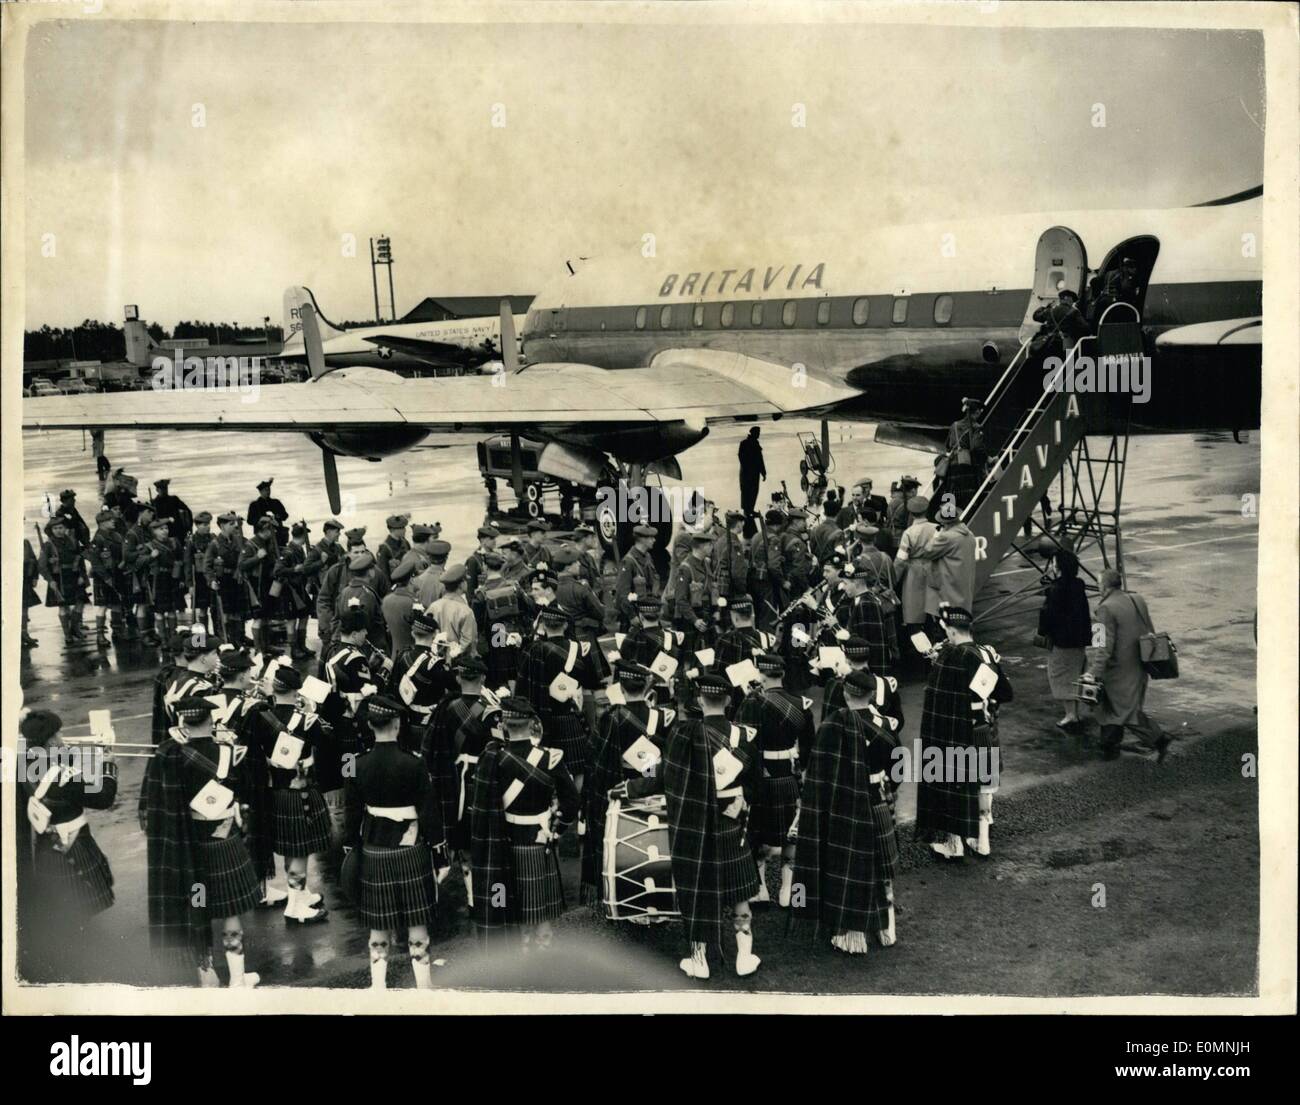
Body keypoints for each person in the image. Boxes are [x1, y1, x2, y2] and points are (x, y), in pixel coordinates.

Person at [139, 696, 265, 986]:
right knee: (231, 913)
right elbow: (243, 788)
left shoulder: (170, 755)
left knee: (199, 909)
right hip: (224, 842)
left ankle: (207, 979)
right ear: (211, 721)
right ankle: (237, 980)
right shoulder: (228, 751)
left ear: (183, 722)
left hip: (189, 848)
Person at [344, 695, 448, 990]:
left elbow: (351, 814)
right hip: (410, 850)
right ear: (398, 724)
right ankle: (424, 987)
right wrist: (440, 853)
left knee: (379, 921)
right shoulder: (414, 763)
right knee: (417, 920)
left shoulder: (353, 763)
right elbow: (429, 812)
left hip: (374, 848)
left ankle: (378, 988)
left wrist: (351, 848)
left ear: (369, 725)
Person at [792, 668, 899, 955]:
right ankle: (886, 926)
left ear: (844, 692)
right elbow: (898, 769)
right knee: (881, 867)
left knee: (845, 866)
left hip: (841, 805)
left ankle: (849, 931)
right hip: (876, 800)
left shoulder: (831, 724)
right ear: (872, 695)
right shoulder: (885, 725)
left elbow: (819, 771)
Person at [663, 670, 761, 979]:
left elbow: (668, 778)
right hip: (733, 820)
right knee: (738, 890)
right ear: (730, 700)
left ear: (699, 699)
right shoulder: (746, 736)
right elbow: (757, 784)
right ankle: (744, 956)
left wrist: (632, 789)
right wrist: (742, 802)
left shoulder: (684, 733)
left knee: (699, 889)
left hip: (697, 822)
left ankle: (699, 959)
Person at [470, 696, 580, 949]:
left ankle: (519, 969)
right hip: (539, 843)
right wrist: (558, 829)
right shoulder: (550, 758)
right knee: (540, 915)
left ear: (504, 724)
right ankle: (542, 970)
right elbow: (572, 802)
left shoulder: (493, 758)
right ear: (532, 723)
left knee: (510, 911)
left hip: (504, 846)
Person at [914, 605, 1012, 860]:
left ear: (950, 630)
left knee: (952, 785)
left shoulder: (948, 657)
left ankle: (953, 844)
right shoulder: (984, 653)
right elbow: (1004, 693)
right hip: (982, 728)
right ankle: (982, 842)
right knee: (984, 786)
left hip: (952, 733)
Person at [19, 710, 117, 949]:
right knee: (82, 902)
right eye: (59, 733)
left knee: (64, 902)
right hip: (73, 843)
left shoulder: (21, 764)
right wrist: (107, 766)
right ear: (51, 739)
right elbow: (103, 798)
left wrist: (68, 756)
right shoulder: (62, 775)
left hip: (43, 844)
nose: (63, 737)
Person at [580, 659, 674, 906]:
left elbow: (594, 760)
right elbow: (669, 760)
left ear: (620, 689)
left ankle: (616, 893)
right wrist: (651, 777)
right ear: (647, 687)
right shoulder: (665, 717)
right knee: (656, 844)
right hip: (657, 789)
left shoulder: (612, 718)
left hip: (620, 788)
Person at [734, 652, 813, 907]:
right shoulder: (802, 704)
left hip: (760, 775)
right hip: (789, 775)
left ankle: (761, 889)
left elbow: (742, 744)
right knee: (791, 832)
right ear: (783, 674)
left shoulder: (752, 702)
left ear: (760, 674)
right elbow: (809, 747)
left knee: (757, 832)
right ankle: (789, 891)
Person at [261, 664, 332, 925]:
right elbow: (326, 742)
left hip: (276, 791)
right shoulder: (307, 720)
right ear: (296, 690)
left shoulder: (262, 716)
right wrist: (312, 711)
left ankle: (299, 896)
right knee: (300, 851)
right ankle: (294, 905)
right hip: (300, 791)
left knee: (292, 849)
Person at [424, 654, 494, 903]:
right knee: (478, 840)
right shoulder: (492, 710)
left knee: (454, 841)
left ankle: (430, 894)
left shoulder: (444, 708)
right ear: (483, 678)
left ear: (457, 677)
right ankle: (478, 897)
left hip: (451, 782)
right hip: (484, 783)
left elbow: (429, 750)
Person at [1081, 569, 1171, 762]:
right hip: (1139, 664)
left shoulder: (1103, 609)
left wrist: (1092, 672)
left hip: (1117, 671)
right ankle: (1110, 743)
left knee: (1120, 710)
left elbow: (1101, 646)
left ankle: (1157, 739)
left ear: (1104, 586)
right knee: (1120, 708)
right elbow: (1149, 629)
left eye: (1098, 583)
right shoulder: (1136, 599)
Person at [515, 602, 600, 787]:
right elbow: (592, 685)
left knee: (545, 764)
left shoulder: (534, 650)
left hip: (542, 720)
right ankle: (575, 806)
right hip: (570, 715)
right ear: (566, 625)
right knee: (577, 766)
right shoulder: (581, 650)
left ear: (544, 626)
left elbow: (522, 689)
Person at [1038, 549, 1092, 730]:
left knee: (1060, 677)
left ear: (1059, 566)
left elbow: (1049, 616)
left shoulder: (1056, 589)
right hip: (1079, 640)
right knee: (1075, 676)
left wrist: (1043, 632)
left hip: (1062, 641)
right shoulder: (1078, 585)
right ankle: (1075, 713)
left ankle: (1070, 715)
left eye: (1054, 562)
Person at [894, 495, 939, 646]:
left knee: (914, 613)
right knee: (932, 611)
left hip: (914, 573)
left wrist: (893, 579)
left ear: (911, 513)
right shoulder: (936, 528)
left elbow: (901, 559)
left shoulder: (909, 533)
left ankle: (919, 650)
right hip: (933, 569)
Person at [917, 508, 978, 618]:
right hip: (963, 584)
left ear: (945, 523)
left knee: (945, 620)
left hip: (948, 587)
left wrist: (936, 536)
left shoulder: (947, 537)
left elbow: (927, 551)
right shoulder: (969, 534)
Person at [38, 517, 89, 645]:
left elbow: (80, 559)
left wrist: (82, 575)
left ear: (65, 528)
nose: (58, 531)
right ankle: (67, 635)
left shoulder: (73, 541)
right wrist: (50, 580)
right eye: (55, 528)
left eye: (61, 528)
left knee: (80, 603)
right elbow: (42, 566)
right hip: (58, 578)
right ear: (51, 530)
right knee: (63, 607)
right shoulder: (48, 545)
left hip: (74, 576)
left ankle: (75, 628)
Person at [204, 511, 251, 646]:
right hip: (222, 581)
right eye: (231, 524)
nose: (234, 526)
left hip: (236, 580)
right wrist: (211, 580)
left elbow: (244, 557)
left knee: (237, 612)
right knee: (224, 614)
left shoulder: (238, 541)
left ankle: (237, 640)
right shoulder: (215, 544)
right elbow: (207, 566)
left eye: (235, 523)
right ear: (222, 526)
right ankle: (224, 641)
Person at [239, 516, 281, 653]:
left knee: (267, 617)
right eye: (272, 529)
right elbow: (242, 565)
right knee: (258, 618)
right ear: (265, 529)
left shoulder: (269, 542)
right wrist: (257, 557)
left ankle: (266, 645)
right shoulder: (251, 544)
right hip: (256, 585)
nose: (273, 532)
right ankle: (258, 649)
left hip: (268, 583)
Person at [671, 530, 717, 656]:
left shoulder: (706, 563)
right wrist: (694, 620)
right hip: (690, 619)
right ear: (701, 547)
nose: (712, 547)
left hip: (705, 614)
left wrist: (716, 610)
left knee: (706, 654)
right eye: (709, 545)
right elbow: (680, 599)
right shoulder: (685, 568)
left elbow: (711, 589)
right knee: (688, 656)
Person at [88, 508, 129, 648]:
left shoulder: (117, 536)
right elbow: (95, 562)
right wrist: (106, 578)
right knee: (103, 606)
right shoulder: (98, 539)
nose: (113, 521)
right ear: (101, 523)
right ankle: (100, 635)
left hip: (117, 574)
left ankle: (117, 631)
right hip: (103, 578)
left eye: (113, 519)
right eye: (110, 520)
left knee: (117, 604)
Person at [940, 398, 988, 514]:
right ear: (977, 412)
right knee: (968, 501)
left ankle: (948, 520)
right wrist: (987, 459)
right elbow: (977, 448)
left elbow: (947, 445)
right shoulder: (977, 427)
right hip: (967, 469)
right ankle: (967, 524)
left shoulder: (954, 425)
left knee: (951, 496)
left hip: (952, 468)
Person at [275, 522, 314, 659]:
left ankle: (301, 645)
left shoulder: (299, 549)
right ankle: (294, 649)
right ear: (303, 536)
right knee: (291, 620)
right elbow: (278, 570)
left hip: (299, 589)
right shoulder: (288, 551)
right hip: (289, 590)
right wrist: (294, 570)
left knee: (304, 616)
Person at [614, 524, 661, 630]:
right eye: (651, 538)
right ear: (642, 539)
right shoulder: (628, 561)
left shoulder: (648, 557)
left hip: (649, 612)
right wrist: (632, 616)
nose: (654, 540)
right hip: (635, 615)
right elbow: (622, 593)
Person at [428, 563, 478, 655]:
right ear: (461, 584)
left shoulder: (433, 606)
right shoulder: (466, 611)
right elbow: (469, 642)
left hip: (435, 659)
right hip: (457, 663)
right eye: (465, 581)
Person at [183, 511, 216, 637]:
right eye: (204, 524)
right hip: (199, 579)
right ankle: (204, 635)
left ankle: (217, 634)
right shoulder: (191, 541)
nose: (207, 526)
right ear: (197, 525)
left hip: (212, 577)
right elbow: (187, 564)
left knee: (215, 608)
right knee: (202, 609)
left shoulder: (213, 538)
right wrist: (190, 584)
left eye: (208, 524)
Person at [737, 427, 766, 536]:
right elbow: (741, 457)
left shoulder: (755, 443)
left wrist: (763, 472)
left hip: (754, 473)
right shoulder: (744, 443)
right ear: (753, 433)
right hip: (747, 473)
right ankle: (746, 510)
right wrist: (748, 467)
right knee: (746, 491)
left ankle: (750, 510)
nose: (759, 434)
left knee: (753, 491)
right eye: (757, 432)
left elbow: (760, 459)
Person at [246, 478, 288, 545]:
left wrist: (277, 516)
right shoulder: (254, 505)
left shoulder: (276, 502)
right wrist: (261, 519)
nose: (268, 492)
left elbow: (285, 516)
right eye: (265, 490)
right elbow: (250, 520)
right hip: (262, 536)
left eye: (269, 490)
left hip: (278, 535)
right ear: (260, 492)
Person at [374, 514, 411, 586]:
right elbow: (384, 574)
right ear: (392, 530)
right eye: (401, 528)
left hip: (408, 583)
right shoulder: (384, 548)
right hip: (394, 586)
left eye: (404, 527)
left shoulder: (405, 542)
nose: (404, 530)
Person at [464, 524, 500, 597]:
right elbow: (470, 589)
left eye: (495, 538)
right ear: (482, 540)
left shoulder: (497, 556)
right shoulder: (474, 560)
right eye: (491, 538)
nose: (495, 541)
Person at [22, 538, 42, 649]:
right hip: (11, 581)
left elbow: (33, 560)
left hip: (26, 580)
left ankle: (24, 634)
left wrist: (35, 577)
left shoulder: (25, 542)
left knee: (24, 609)